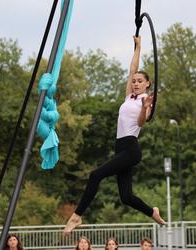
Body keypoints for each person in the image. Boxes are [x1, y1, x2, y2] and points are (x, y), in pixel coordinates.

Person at [63, 35, 165, 235]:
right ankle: (151, 211)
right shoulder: (130, 96)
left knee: (95, 175)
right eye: (134, 81)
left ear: (147, 84)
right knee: (126, 197)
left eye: (139, 81)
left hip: (130, 149)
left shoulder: (147, 101)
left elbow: (140, 123)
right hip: (120, 147)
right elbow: (131, 69)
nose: (135, 83)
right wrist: (138, 47)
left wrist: (145, 108)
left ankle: (77, 216)